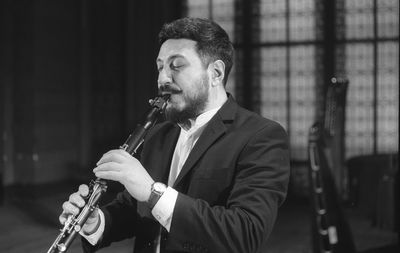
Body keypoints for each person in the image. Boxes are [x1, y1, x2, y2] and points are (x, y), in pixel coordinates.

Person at [60, 17, 290, 253]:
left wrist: (153, 192)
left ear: (216, 73)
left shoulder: (261, 137)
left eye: (176, 65)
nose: (162, 79)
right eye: (160, 67)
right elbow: (134, 209)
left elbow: (245, 233)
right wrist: (95, 222)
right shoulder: (158, 135)